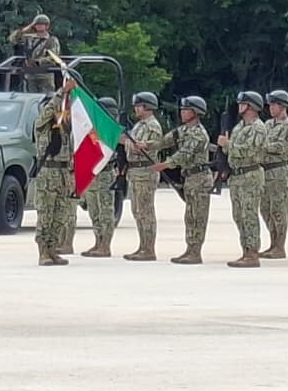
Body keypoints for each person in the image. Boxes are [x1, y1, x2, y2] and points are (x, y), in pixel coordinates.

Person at [143, 96, 211, 264]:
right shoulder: (183, 131)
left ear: (195, 112)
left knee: (198, 216)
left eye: (186, 109)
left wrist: (166, 164)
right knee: (190, 216)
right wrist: (147, 145)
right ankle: (190, 249)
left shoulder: (199, 134)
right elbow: (164, 141)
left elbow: (184, 154)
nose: (182, 112)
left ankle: (195, 252)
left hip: (199, 178)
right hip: (190, 177)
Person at [219, 91, 268, 267]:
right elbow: (231, 150)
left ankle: (253, 253)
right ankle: (245, 250)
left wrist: (228, 144)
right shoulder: (240, 126)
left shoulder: (258, 128)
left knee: (249, 214)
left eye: (244, 103)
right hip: (237, 175)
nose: (240, 106)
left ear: (252, 107)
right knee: (239, 215)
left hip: (250, 175)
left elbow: (249, 150)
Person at [33, 76, 78, 266]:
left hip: (62, 174)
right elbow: (49, 112)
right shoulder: (42, 127)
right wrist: (62, 92)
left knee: (60, 215)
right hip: (47, 174)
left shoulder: (64, 129)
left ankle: (53, 249)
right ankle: (43, 252)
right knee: (46, 215)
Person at [122, 92, 164, 261]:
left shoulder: (152, 126)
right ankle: (142, 245)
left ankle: (148, 248)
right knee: (137, 210)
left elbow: (145, 147)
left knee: (145, 211)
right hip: (135, 172)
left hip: (145, 172)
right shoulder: (140, 125)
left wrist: (129, 143)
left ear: (147, 106)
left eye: (139, 105)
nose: (136, 108)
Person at [79, 97, 121, 258]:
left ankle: (105, 245)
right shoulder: (94, 128)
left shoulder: (113, 129)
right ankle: (98, 242)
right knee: (94, 211)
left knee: (105, 211)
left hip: (105, 174)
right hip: (93, 173)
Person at [259, 90, 288, 259]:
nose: (271, 108)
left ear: (282, 106)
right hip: (264, 171)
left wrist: (262, 145)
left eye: (273, 105)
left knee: (278, 209)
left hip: (278, 170)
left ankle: (279, 246)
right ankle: (272, 243)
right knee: (265, 208)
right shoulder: (267, 124)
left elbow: (281, 147)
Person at [9, 14, 61, 93]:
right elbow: (13, 39)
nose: (39, 26)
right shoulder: (29, 38)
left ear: (47, 26)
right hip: (30, 74)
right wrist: (28, 27)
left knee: (46, 98)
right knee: (29, 98)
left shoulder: (52, 40)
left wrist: (38, 61)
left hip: (45, 74)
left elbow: (54, 57)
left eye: (42, 24)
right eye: (37, 24)